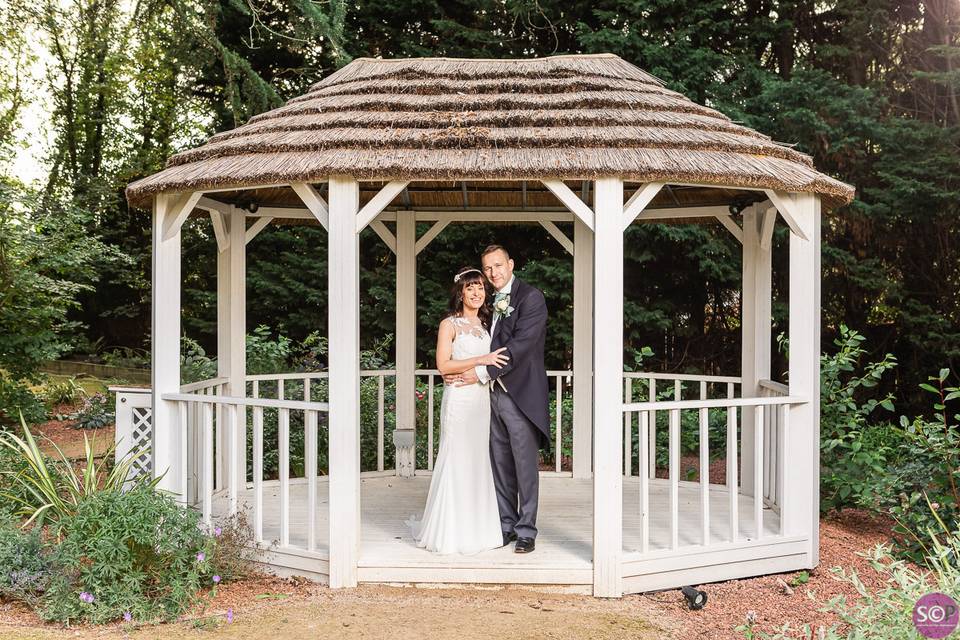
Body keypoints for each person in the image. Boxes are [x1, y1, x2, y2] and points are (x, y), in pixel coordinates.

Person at [447, 245, 550, 554]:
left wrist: (478, 374)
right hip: (486, 399)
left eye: (498, 265)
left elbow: (518, 348)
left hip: (519, 396)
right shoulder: (488, 303)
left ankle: (526, 530)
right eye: (488, 268)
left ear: (511, 263)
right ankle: (505, 525)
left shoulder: (531, 298)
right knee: (499, 463)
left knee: (524, 466)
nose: (493, 272)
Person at [406, 267, 509, 554]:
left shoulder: (490, 325)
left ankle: (480, 530)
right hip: (460, 400)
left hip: (481, 400)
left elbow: (498, 362)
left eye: (480, 288)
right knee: (456, 457)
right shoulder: (449, 324)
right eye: (470, 288)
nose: (476, 293)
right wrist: (482, 359)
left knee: (478, 460)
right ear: (460, 293)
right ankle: (450, 532)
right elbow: (444, 365)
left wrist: (481, 367)